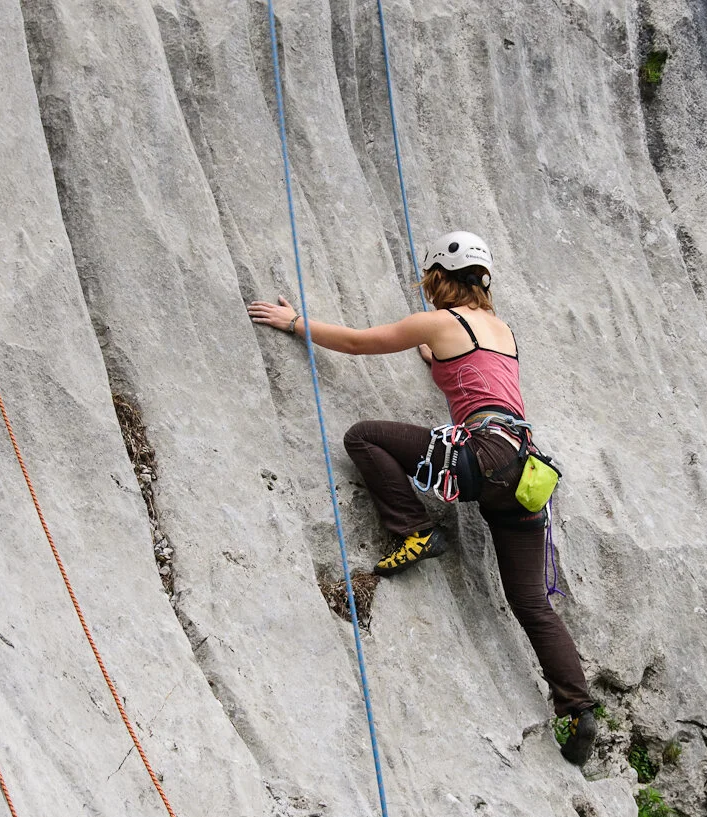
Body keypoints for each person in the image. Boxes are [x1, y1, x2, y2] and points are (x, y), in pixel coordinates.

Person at [247, 231, 597, 765]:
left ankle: (416, 530)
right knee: (531, 604)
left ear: (438, 277)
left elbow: (360, 342)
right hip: (522, 470)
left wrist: (296, 323)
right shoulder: (502, 331)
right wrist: (433, 357)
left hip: (484, 455)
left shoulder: (439, 321)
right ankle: (577, 707)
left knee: (363, 436)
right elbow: (469, 381)